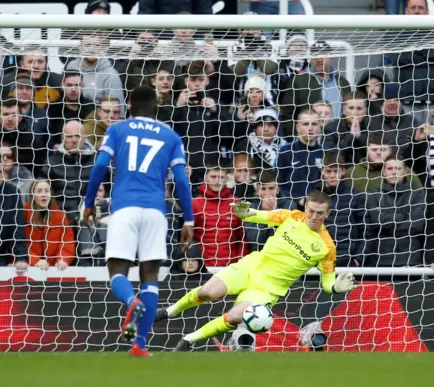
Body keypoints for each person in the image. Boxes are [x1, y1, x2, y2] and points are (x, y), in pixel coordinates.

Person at [154, 190, 357, 351]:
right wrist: (244, 212)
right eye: (311, 211)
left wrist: (336, 287)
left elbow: (327, 282)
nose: (313, 217)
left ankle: (188, 340)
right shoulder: (291, 217)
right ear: (305, 207)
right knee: (207, 292)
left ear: (327, 214)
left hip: (267, 290)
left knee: (234, 317)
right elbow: (255, 215)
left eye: (320, 213)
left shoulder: (327, 247)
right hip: (250, 267)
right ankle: (170, 311)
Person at [82, 86, 194, 357]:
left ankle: (131, 301)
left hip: (124, 207)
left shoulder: (117, 130)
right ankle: (139, 345)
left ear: (129, 104)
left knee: (118, 271)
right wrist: (188, 219)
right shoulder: (171, 136)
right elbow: (180, 180)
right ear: (156, 107)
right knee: (150, 277)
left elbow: (99, 167)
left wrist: (88, 204)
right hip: (156, 211)